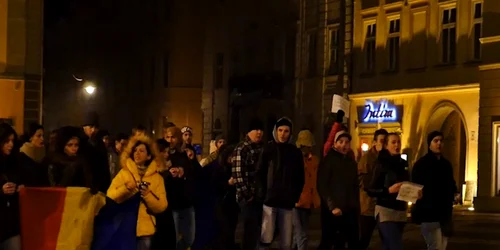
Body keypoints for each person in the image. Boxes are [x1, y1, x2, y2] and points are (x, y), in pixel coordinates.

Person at [107, 135, 168, 250]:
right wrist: (127, 188)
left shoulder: (157, 178)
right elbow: (110, 196)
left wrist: (147, 195)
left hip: (145, 230)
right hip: (125, 226)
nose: (137, 153)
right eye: (135, 150)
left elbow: (162, 206)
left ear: (149, 156)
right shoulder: (124, 173)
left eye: (141, 151)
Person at [256, 117, 304, 250]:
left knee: (286, 241)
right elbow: (260, 172)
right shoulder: (268, 149)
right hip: (270, 201)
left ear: (290, 133)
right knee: (266, 238)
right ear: (275, 131)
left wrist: (295, 196)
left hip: (287, 202)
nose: (283, 134)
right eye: (280, 130)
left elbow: (300, 177)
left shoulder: (295, 152)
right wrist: (262, 193)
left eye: (286, 131)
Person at [366, 133, 416, 250]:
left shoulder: (403, 164)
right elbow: (371, 189)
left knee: (388, 246)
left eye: (398, 142)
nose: (397, 145)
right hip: (385, 210)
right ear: (386, 145)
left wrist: (414, 193)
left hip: (400, 211)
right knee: (395, 245)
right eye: (393, 142)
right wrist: (388, 190)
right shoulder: (381, 164)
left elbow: (407, 184)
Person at [412, 131, 457, 250]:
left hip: (445, 213)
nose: (439, 144)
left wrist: (454, 193)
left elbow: (451, 183)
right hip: (429, 213)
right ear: (429, 144)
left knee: (442, 246)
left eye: (441, 141)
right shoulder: (422, 164)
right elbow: (415, 186)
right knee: (435, 246)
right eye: (435, 141)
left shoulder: (446, 164)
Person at [317, 130, 360, 250]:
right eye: (340, 142)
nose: (344, 145)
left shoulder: (351, 162)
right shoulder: (329, 160)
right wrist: (332, 206)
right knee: (329, 242)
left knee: (349, 242)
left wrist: (355, 206)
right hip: (333, 211)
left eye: (346, 142)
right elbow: (322, 185)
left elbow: (354, 186)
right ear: (335, 144)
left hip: (349, 210)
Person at [231, 117, 265, 250]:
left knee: (258, 230)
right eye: (256, 129)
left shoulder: (261, 147)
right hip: (248, 197)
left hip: (260, 195)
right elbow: (238, 174)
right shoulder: (242, 148)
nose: (259, 132)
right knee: (248, 231)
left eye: (261, 129)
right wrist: (247, 194)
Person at [358, 129, 388, 249]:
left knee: (386, 238)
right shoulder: (367, 159)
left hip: (383, 205)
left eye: (386, 141)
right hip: (368, 205)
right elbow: (362, 181)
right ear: (374, 142)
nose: (384, 144)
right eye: (381, 141)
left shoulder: (387, 158)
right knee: (364, 238)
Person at [293, 129, 321, 250]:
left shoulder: (314, 160)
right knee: (302, 233)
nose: (307, 149)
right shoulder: (295, 159)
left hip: (307, 201)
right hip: (297, 201)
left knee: (299, 234)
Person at [212, 144, 239, 250]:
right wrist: (228, 183)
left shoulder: (235, 167)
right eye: (230, 156)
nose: (232, 158)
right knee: (224, 231)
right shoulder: (219, 168)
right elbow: (214, 185)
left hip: (233, 204)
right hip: (222, 204)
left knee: (231, 230)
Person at [0, 123, 22, 250]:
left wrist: (20, 188)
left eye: (12, 141)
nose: (11, 145)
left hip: (11, 225)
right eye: (7, 141)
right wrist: (1, 191)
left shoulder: (15, 162)